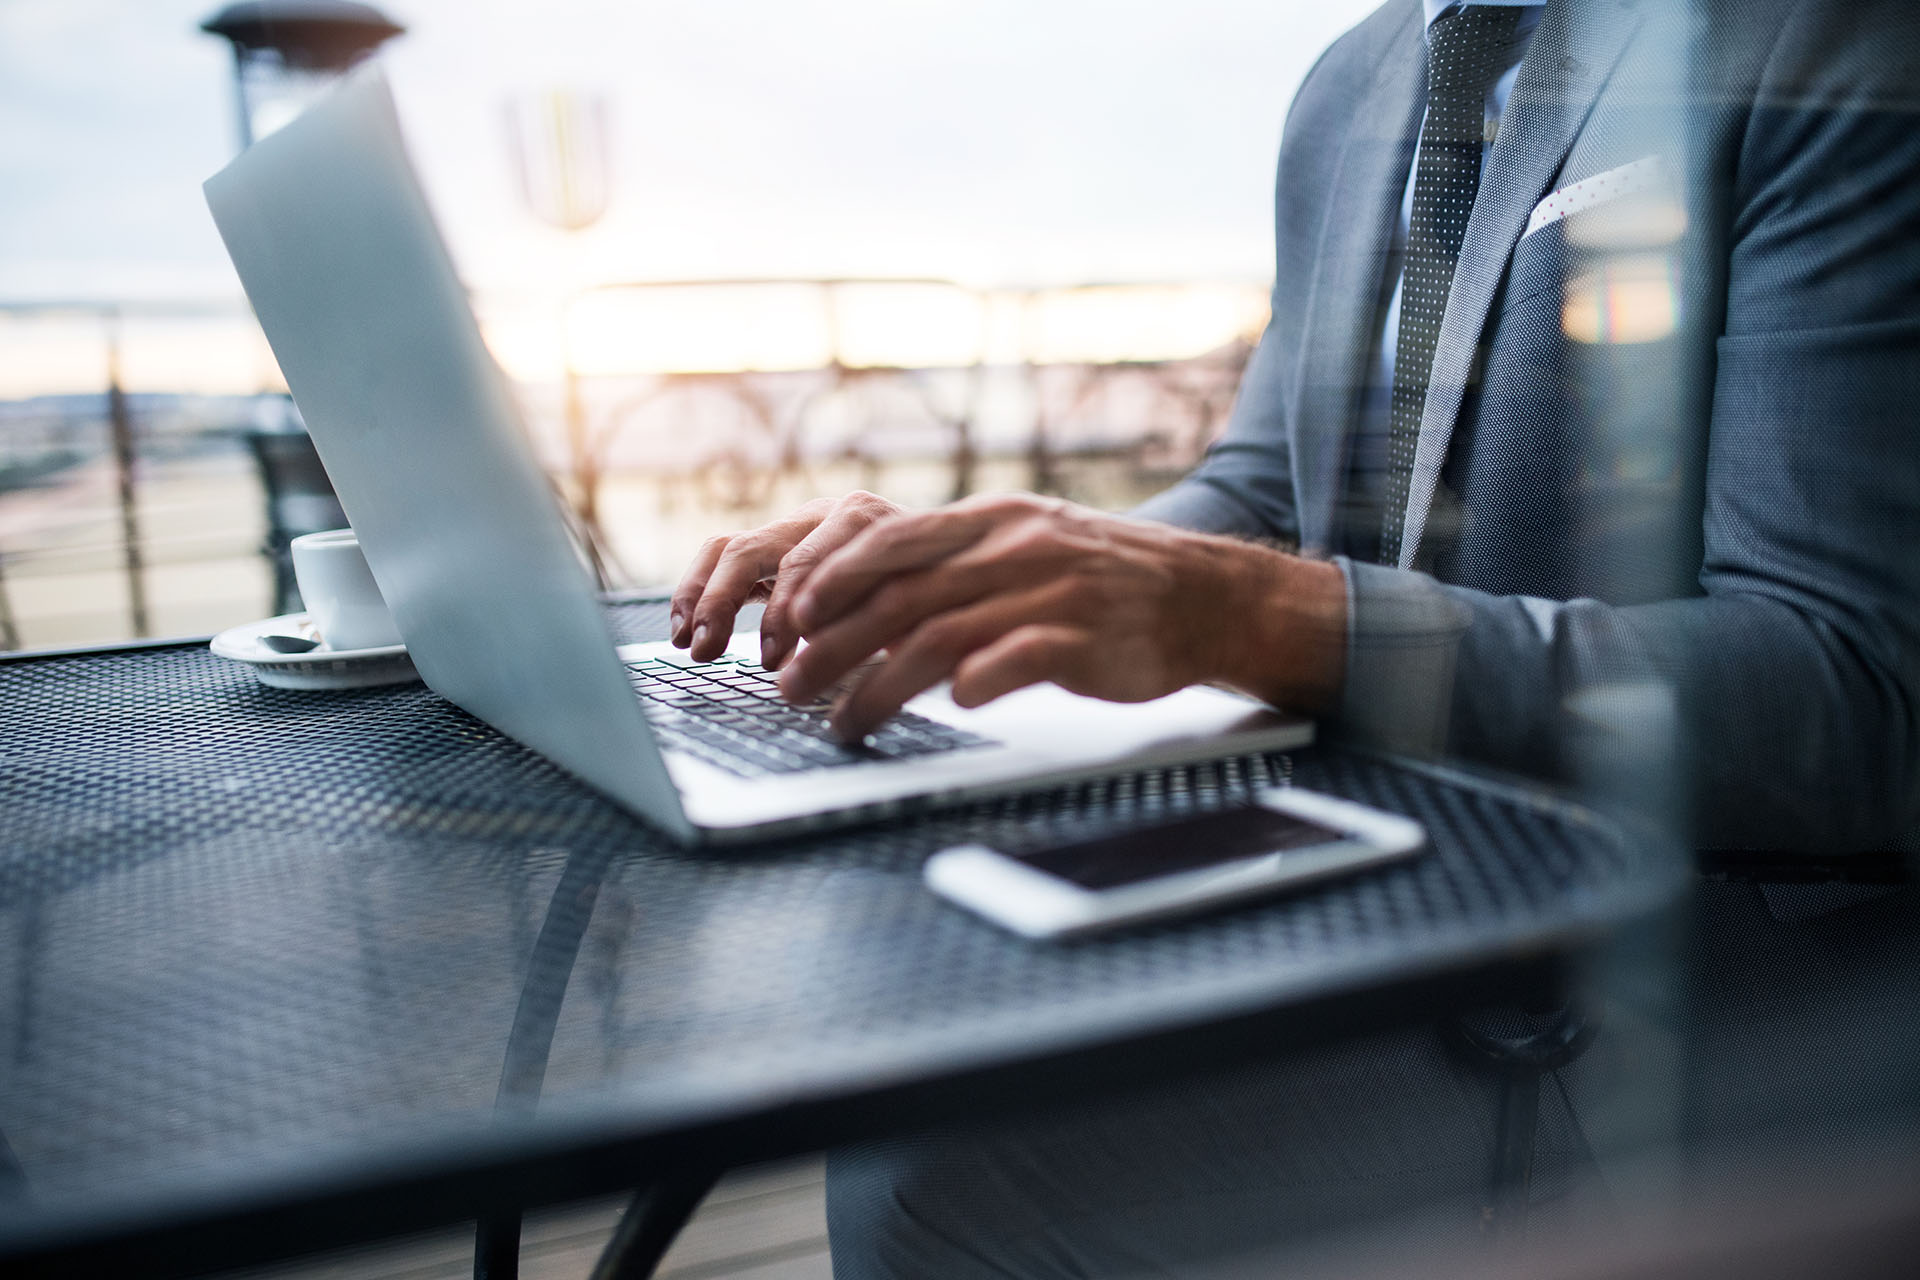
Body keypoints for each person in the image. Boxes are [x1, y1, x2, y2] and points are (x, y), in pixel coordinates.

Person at [672, 0, 1920, 1273]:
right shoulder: (1359, 81)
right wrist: (983, 562)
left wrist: (1238, 610)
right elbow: (1264, 491)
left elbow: (1857, 687)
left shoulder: (1819, 35)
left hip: (1718, 992)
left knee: (930, 1175)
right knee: (920, 1014)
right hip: (1395, 901)